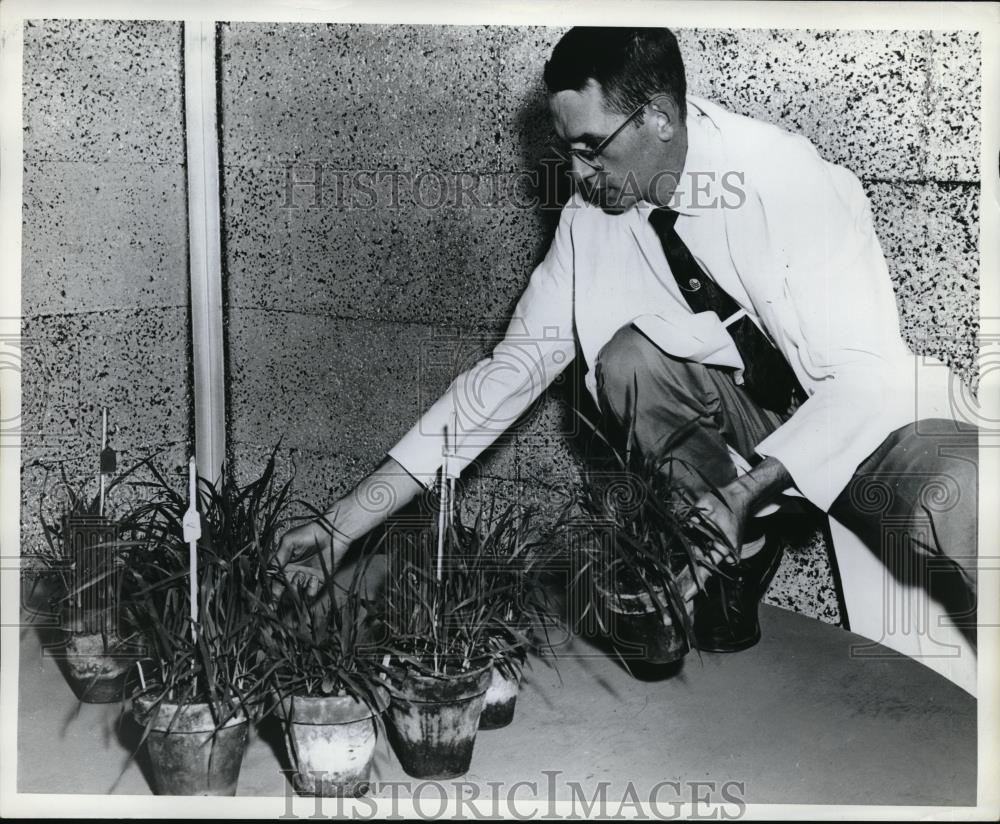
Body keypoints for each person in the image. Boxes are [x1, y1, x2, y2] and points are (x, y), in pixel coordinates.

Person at [276, 27, 978, 656]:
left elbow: (867, 380)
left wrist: (746, 491)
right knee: (625, 360)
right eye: (567, 150)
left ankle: (738, 516)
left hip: (867, 417)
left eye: (591, 149)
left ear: (660, 119)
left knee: (970, 492)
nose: (576, 176)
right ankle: (735, 549)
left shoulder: (783, 178)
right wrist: (345, 523)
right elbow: (507, 375)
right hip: (749, 417)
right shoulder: (594, 213)